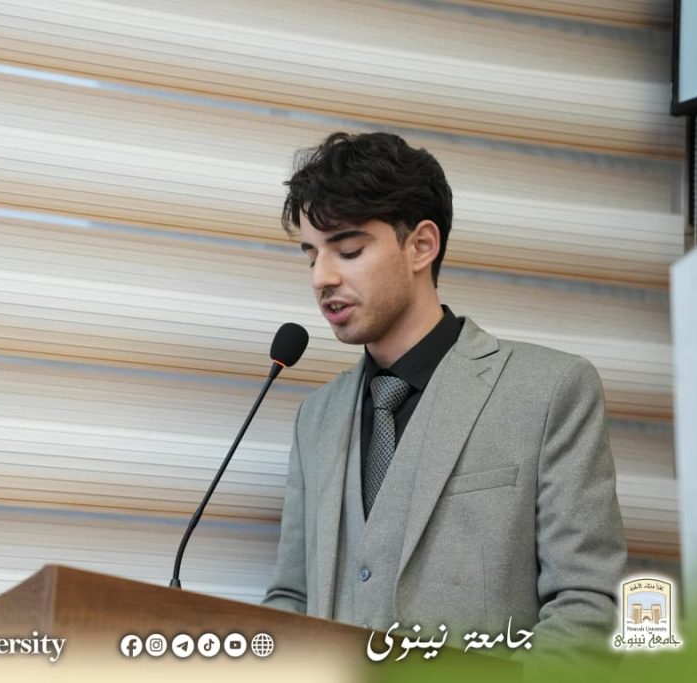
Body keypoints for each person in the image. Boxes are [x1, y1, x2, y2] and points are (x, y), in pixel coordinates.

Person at [262, 132, 626, 652]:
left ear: (421, 246)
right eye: (310, 255)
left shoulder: (550, 390)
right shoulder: (315, 416)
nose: (322, 277)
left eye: (347, 250)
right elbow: (292, 596)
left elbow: (587, 606)